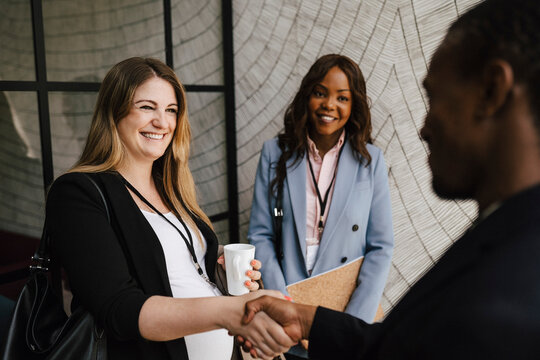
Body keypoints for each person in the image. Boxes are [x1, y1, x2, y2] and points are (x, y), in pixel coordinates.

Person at [239, 0, 540, 358]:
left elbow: (382, 250)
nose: (423, 129)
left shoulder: (513, 284)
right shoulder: (499, 234)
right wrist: (306, 318)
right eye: (320, 93)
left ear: (491, 90)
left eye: (434, 97)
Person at [46, 57, 295, 360]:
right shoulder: (78, 192)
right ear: (114, 111)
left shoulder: (173, 189)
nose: (162, 122)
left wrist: (219, 276)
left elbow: (182, 278)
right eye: (147, 107)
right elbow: (121, 311)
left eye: (171, 110)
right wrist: (231, 310)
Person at [248, 53, 394, 358]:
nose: (329, 104)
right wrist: (285, 307)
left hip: (346, 307)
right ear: (307, 97)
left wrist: (349, 325)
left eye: (342, 97)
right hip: (289, 298)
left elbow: (381, 246)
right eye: (320, 93)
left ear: (354, 106)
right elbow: (262, 233)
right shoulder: (275, 153)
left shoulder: (371, 160)